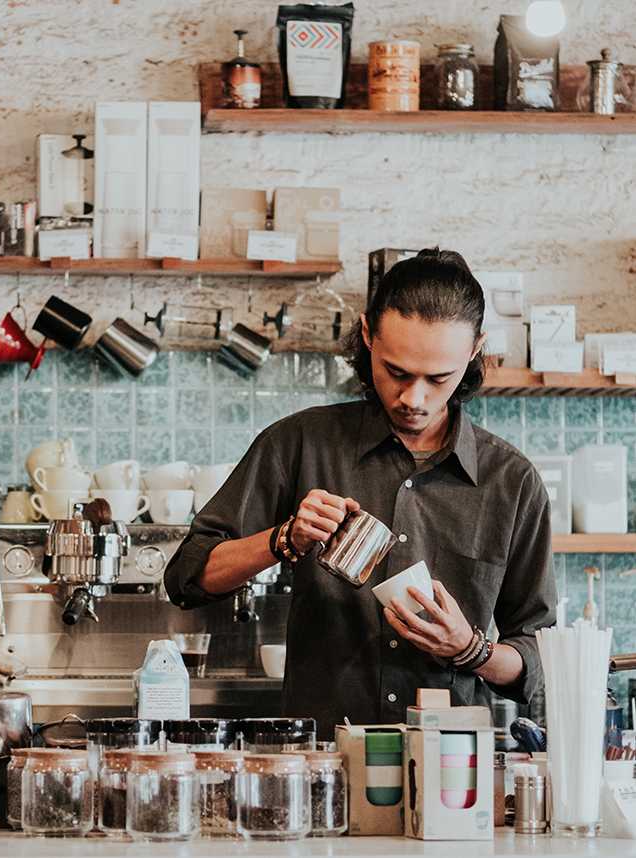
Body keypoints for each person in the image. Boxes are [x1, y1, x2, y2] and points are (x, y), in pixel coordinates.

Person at [164, 248, 556, 735]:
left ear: (474, 350)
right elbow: (186, 577)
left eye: (438, 378)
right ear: (368, 335)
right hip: (319, 757)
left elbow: (539, 658)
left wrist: (469, 649)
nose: (414, 398)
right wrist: (283, 539)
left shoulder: (512, 481)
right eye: (396, 372)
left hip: (447, 766)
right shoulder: (298, 444)